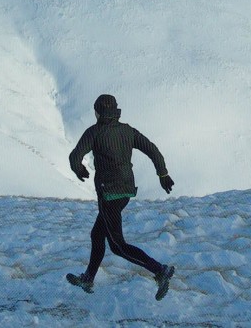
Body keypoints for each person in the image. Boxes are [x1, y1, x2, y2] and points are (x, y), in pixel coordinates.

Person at [66, 94, 177, 301]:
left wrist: (79, 170)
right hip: (126, 191)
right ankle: (88, 278)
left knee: (117, 246)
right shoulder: (128, 131)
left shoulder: (95, 132)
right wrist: (163, 174)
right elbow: (153, 150)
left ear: (97, 112)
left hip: (108, 192)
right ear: (115, 110)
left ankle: (160, 270)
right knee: (97, 235)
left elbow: (74, 157)